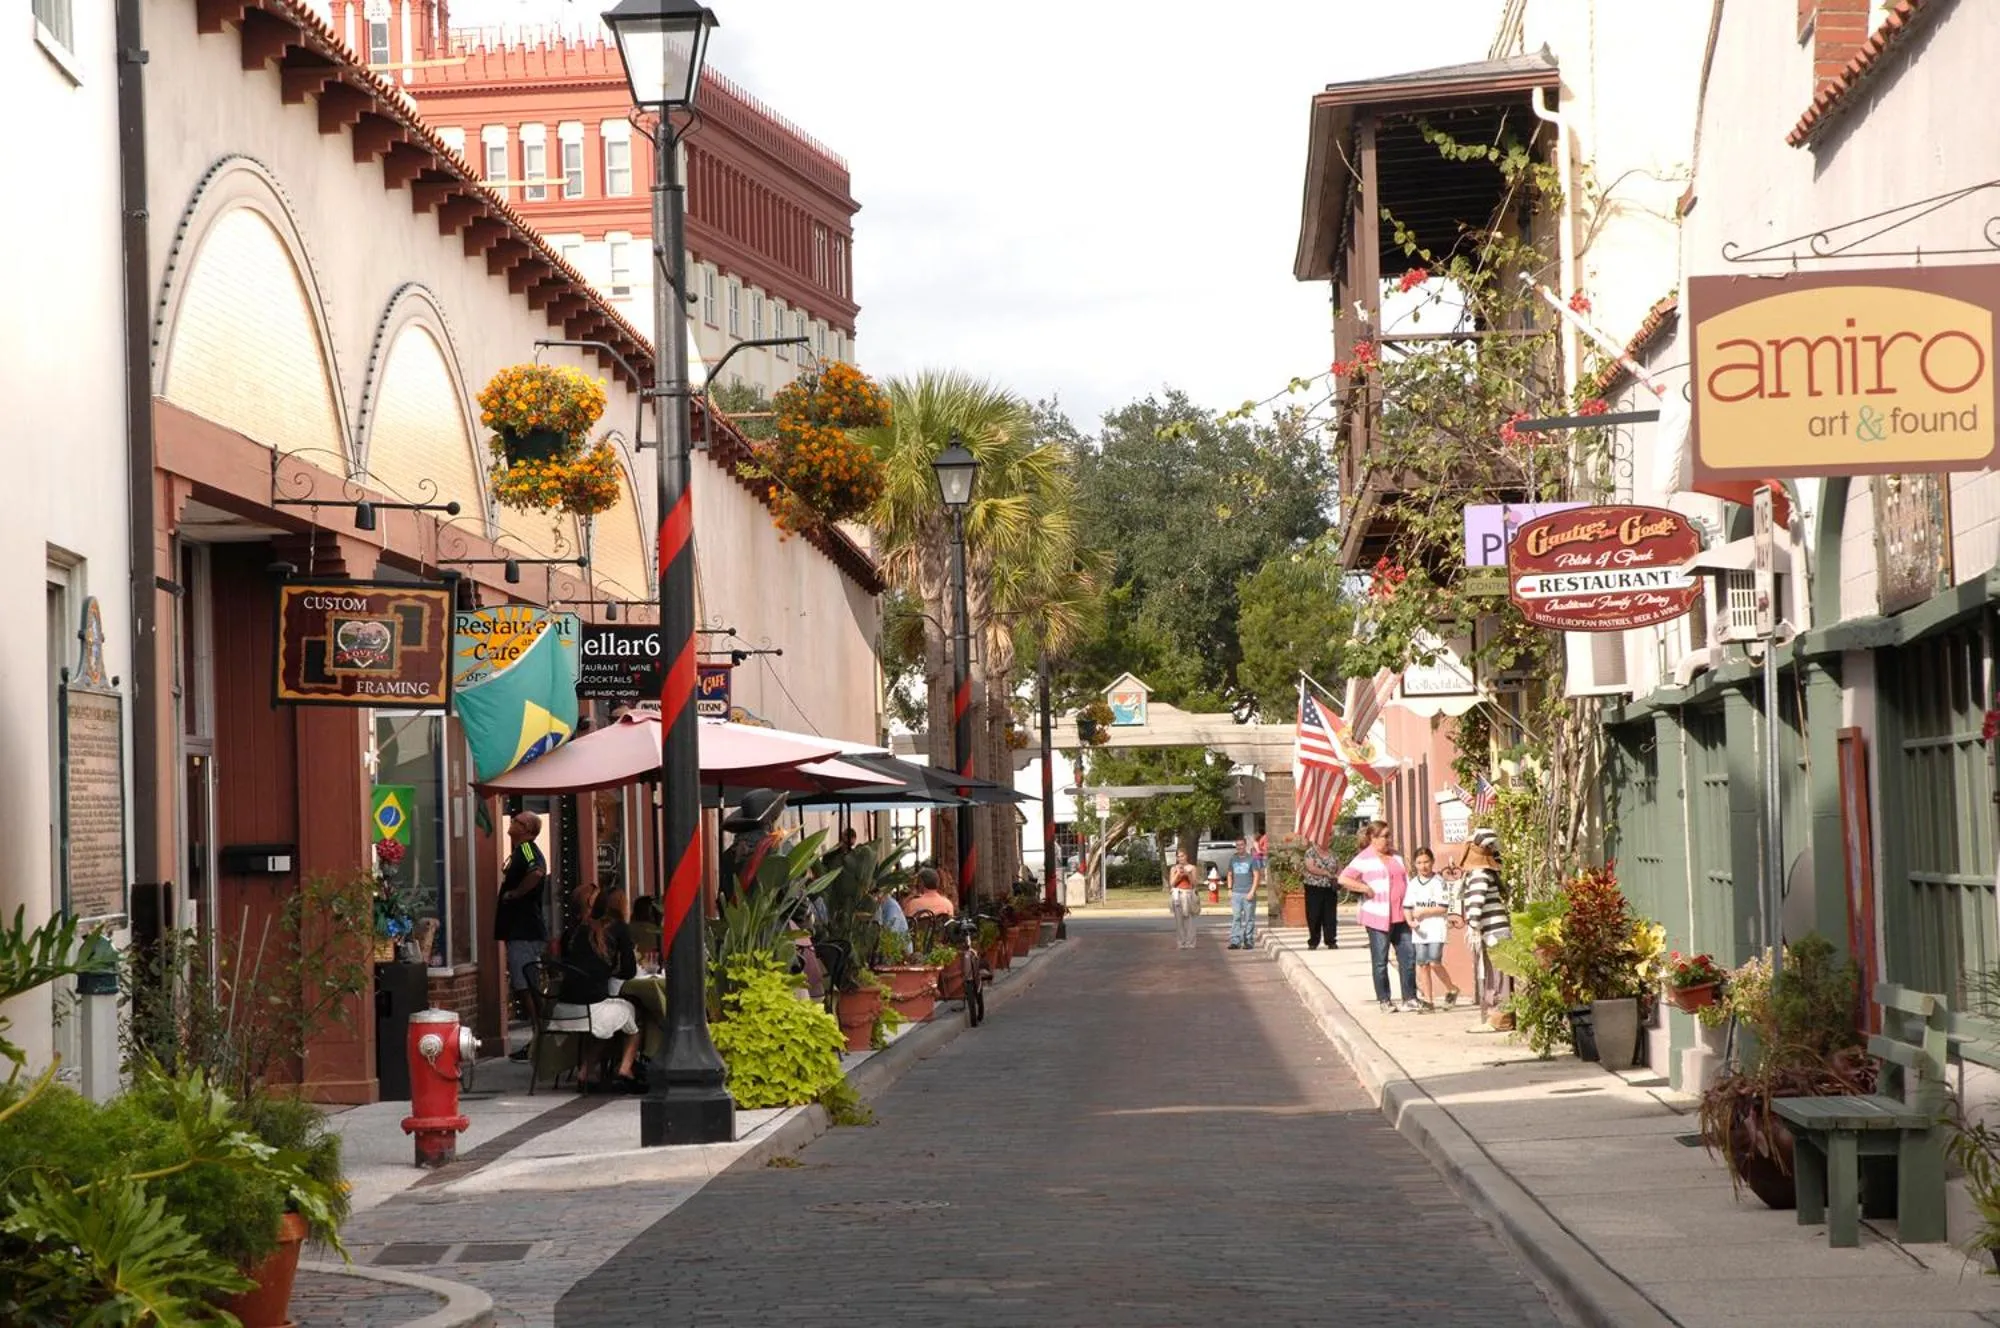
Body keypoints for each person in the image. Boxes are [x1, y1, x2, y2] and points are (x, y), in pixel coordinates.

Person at [560, 888, 642, 1092]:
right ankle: (625, 1068)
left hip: (563, 1008)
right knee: (633, 1015)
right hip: (592, 1007)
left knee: (609, 1022)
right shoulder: (618, 928)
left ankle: (585, 1071)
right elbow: (629, 971)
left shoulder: (576, 930)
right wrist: (613, 970)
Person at [1340, 820, 1420, 1012]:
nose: (1388, 839)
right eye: (1384, 836)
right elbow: (1343, 878)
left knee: (1408, 957)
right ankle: (1384, 1000)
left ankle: (1410, 997)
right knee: (1380, 960)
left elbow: (1406, 880)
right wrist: (1364, 888)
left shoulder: (1397, 857)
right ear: (1372, 838)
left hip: (1401, 915)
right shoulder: (1364, 858)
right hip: (1378, 916)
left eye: (1389, 835)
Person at [492, 810, 548, 1061]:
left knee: (526, 986)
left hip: (524, 931)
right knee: (525, 985)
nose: (512, 822)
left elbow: (536, 872)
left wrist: (514, 894)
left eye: (517, 821)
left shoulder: (526, 849)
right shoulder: (518, 851)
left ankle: (541, 1038)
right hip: (520, 930)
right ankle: (540, 1038)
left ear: (526, 829)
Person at [1459, 828, 1515, 1030]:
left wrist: (1473, 924)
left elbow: (1477, 901)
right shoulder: (1483, 872)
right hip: (1491, 930)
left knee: (1497, 974)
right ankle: (1494, 1016)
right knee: (1492, 972)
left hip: (1493, 931)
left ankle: (1500, 1018)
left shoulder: (1480, 873)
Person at [1404, 847, 1460, 1007]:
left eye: (1426, 862)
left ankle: (1451, 988)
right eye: (1419, 863)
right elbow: (1407, 906)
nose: (1423, 866)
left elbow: (1443, 907)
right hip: (1420, 930)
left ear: (1432, 862)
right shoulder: (1413, 883)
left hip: (1436, 928)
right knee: (1422, 963)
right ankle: (1428, 1000)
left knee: (1434, 961)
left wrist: (1425, 912)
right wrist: (1410, 921)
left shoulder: (1438, 882)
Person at [1301, 838, 1342, 950]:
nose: (1328, 841)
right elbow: (1310, 867)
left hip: (1329, 888)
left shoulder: (1333, 853)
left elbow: (1339, 866)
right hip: (1314, 887)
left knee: (1330, 916)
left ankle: (1331, 940)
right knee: (1314, 915)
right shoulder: (1310, 852)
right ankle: (1314, 941)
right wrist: (1325, 873)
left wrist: (1338, 875)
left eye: (1329, 838)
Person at [1226, 837, 1260, 951]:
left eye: (1241, 845)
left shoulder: (1251, 859)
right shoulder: (1233, 859)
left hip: (1248, 893)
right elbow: (1229, 874)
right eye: (1237, 845)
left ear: (1245, 845)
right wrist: (1229, 889)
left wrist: (1252, 891)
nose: (1239, 847)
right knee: (1236, 917)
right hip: (1236, 893)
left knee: (1249, 918)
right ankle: (1235, 941)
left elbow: (1256, 876)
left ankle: (1248, 940)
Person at [1168, 848, 1201, 951]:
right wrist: (1178, 874)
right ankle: (1181, 942)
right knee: (1179, 920)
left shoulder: (1192, 868)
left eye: (1182, 856)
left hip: (1188, 894)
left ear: (1186, 856)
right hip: (1177, 894)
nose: (1180, 858)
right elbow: (1172, 883)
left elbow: (1195, 883)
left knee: (1190, 920)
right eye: (1178, 856)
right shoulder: (1174, 868)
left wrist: (1188, 874)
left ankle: (1190, 942)